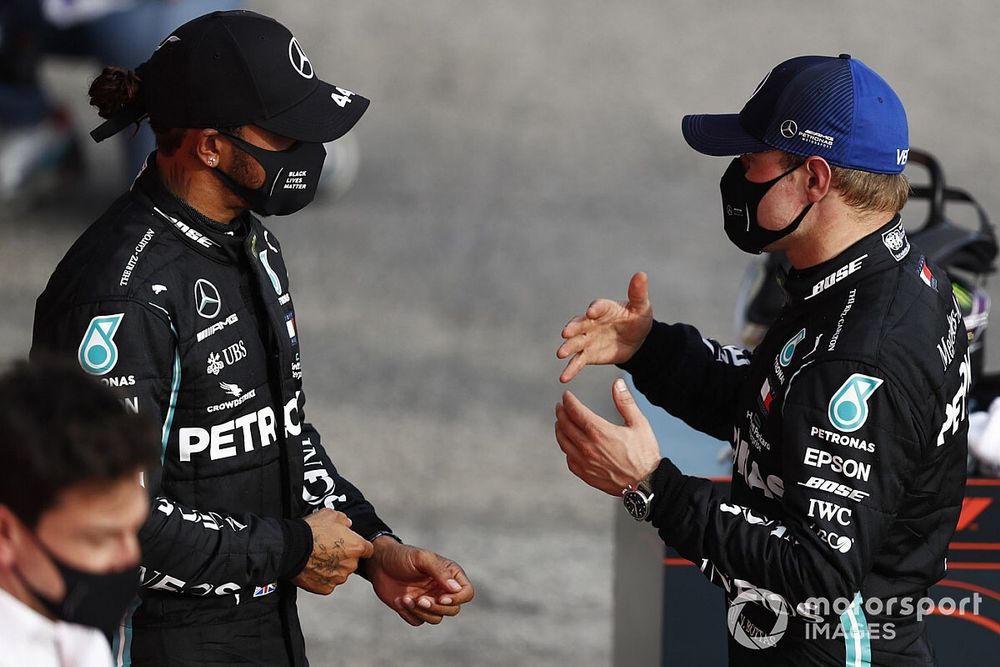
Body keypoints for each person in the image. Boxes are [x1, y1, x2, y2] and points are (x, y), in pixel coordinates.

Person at [30, 10, 473, 667]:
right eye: (285, 129)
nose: (307, 146)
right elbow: (107, 515)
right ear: (210, 145)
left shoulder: (250, 242)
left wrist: (374, 547)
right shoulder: (116, 300)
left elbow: (277, 434)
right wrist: (292, 549)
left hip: (262, 634)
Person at [555, 54, 969, 665]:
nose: (736, 174)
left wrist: (651, 486)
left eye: (753, 160)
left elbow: (817, 574)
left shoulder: (863, 350)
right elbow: (778, 407)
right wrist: (651, 347)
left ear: (816, 178)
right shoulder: (870, 275)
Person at [0, 360, 159, 667]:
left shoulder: (71, 626)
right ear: (6, 532)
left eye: (133, 529)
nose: (130, 555)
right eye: (99, 539)